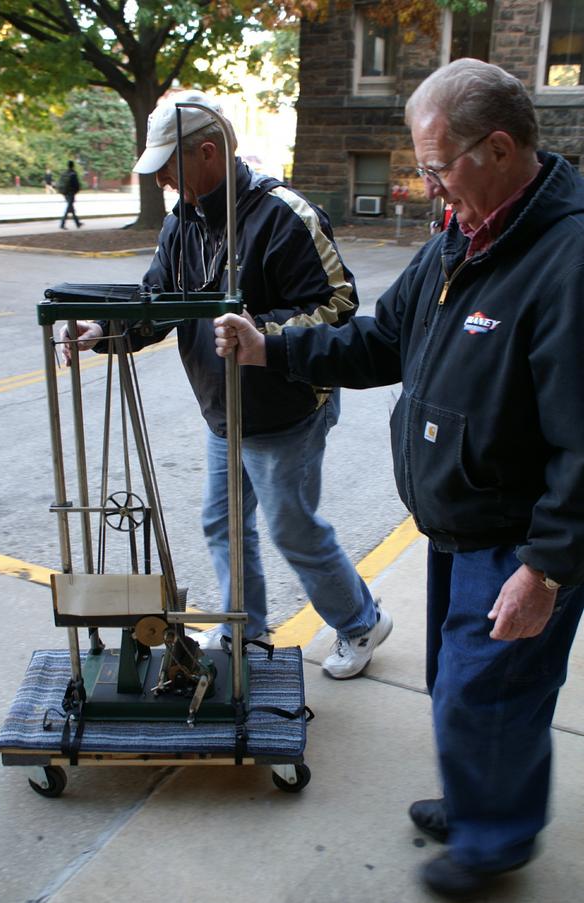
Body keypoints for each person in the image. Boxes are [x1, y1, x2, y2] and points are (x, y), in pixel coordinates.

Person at [213, 59, 584, 896]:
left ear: (496, 147)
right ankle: (481, 799)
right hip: (460, 518)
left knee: (491, 693)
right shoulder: (465, 234)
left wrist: (548, 566)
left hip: (521, 539)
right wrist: (274, 344)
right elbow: (384, 339)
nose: (424, 187)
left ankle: (496, 842)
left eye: (434, 166)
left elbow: (583, 443)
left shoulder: (566, 258)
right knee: (467, 686)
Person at [60, 89, 392, 680]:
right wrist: (104, 330)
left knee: (293, 528)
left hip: (284, 409)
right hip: (224, 410)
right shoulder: (181, 224)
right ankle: (247, 624)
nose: (161, 180)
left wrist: (261, 332)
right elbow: (156, 302)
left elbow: (339, 308)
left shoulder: (284, 214)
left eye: (167, 166)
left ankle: (360, 621)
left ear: (207, 153)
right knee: (223, 522)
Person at [58, 160, 83, 229]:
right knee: (68, 209)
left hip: (65, 192)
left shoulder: (65, 173)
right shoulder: (73, 173)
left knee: (71, 208)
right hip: (71, 193)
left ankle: (77, 223)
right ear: (73, 165)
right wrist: (76, 191)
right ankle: (62, 224)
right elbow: (76, 184)